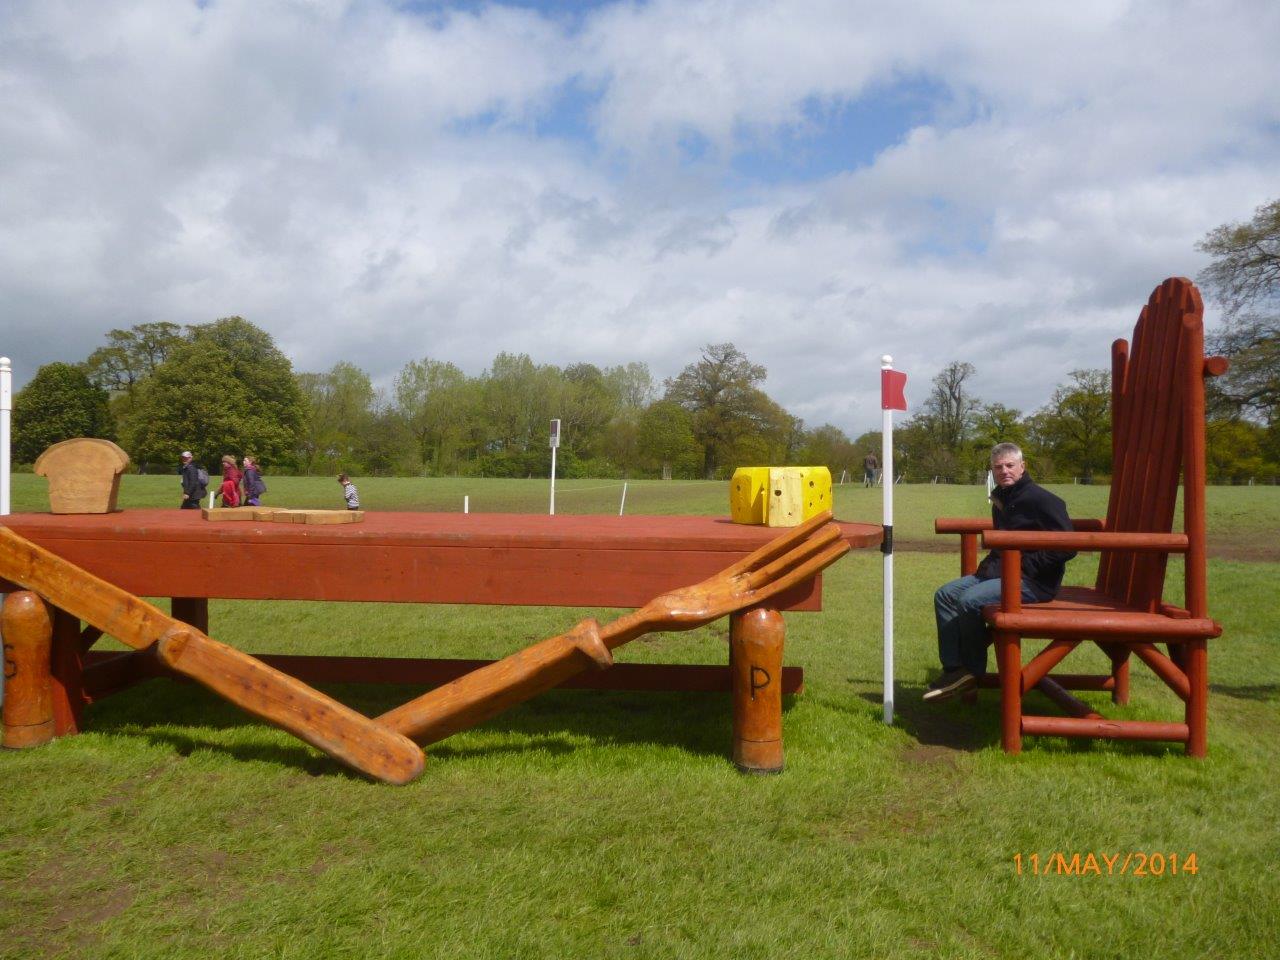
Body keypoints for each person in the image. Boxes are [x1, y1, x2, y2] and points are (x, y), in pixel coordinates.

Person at [924, 442, 1076, 702]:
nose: (1004, 471)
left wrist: (1026, 565)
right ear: (992, 471)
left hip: (1034, 582)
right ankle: (954, 669)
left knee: (969, 600)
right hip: (997, 573)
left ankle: (971, 672)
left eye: (1009, 465)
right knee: (945, 595)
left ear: (1022, 466)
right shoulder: (1001, 499)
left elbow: (1067, 546)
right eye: (998, 467)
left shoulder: (1042, 500)